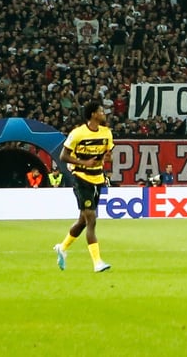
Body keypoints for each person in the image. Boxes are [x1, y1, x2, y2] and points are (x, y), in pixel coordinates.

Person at [53, 101, 114, 273]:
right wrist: (83, 162)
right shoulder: (77, 133)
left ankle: (62, 248)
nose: (104, 113)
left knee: (82, 221)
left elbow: (108, 156)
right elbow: (63, 156)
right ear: (93, 114)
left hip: (97, 178)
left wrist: (107, 158)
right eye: (101, 111)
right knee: (91, 220)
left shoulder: (106, 133)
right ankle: (97, 262)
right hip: (80, 178)